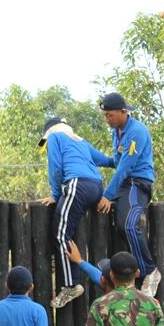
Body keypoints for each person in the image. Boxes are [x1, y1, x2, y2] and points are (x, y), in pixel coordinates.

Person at [94, 92, 161, 297]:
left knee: (130, 224)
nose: (107, 120)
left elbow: (125, 167)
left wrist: (107, 194)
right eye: (105, 116)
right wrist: (88, 155)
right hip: (124, 183)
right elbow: (115, 160)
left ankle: (150, 271)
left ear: (123, 112)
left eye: (110, 115)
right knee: (114, 222)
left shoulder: (137, 132)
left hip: (137, 183)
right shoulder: (118, 131)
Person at [37, 117, 107, 309]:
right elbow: (105, 160)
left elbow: (56, 168)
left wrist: (55, 194)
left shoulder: (54, 138)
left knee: (60, 234)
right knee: (68, 228)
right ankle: (71, 278)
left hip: (77, 185)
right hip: (96, 186)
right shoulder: (80, 141)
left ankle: (70, 285)